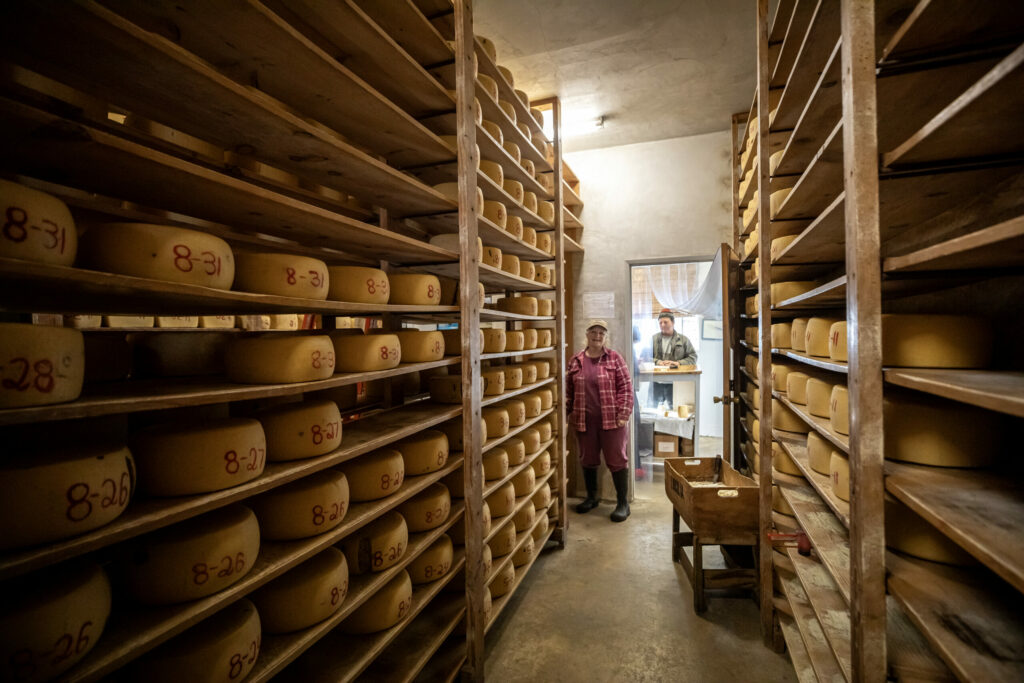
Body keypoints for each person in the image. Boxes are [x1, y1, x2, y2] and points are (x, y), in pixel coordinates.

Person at [566, 319, 634, 522]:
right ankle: (592, 497)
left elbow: (626, 388)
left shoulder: (614, 359)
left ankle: (622, 503)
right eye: (593, 332)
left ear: (605, 337)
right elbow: (568, 391)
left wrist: (623, 415)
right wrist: (565, 414)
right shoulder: (576, 360)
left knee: (617, 460)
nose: (597, 336)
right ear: (587, 335)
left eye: (601, 333)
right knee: (587, 459)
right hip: (584, 421)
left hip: (612, 421)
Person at [651, 310, 697, 406]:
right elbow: (645, 358)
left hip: (676, 383)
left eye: (665, 322)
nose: (662, 325)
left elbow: (693, 357)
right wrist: (658, 362)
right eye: (660, 323)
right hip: (656, 382)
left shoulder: (684, 340)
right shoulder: (653, 339)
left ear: (673, 322)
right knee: (652, 409)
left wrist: (678, 363)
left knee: (674, 409)